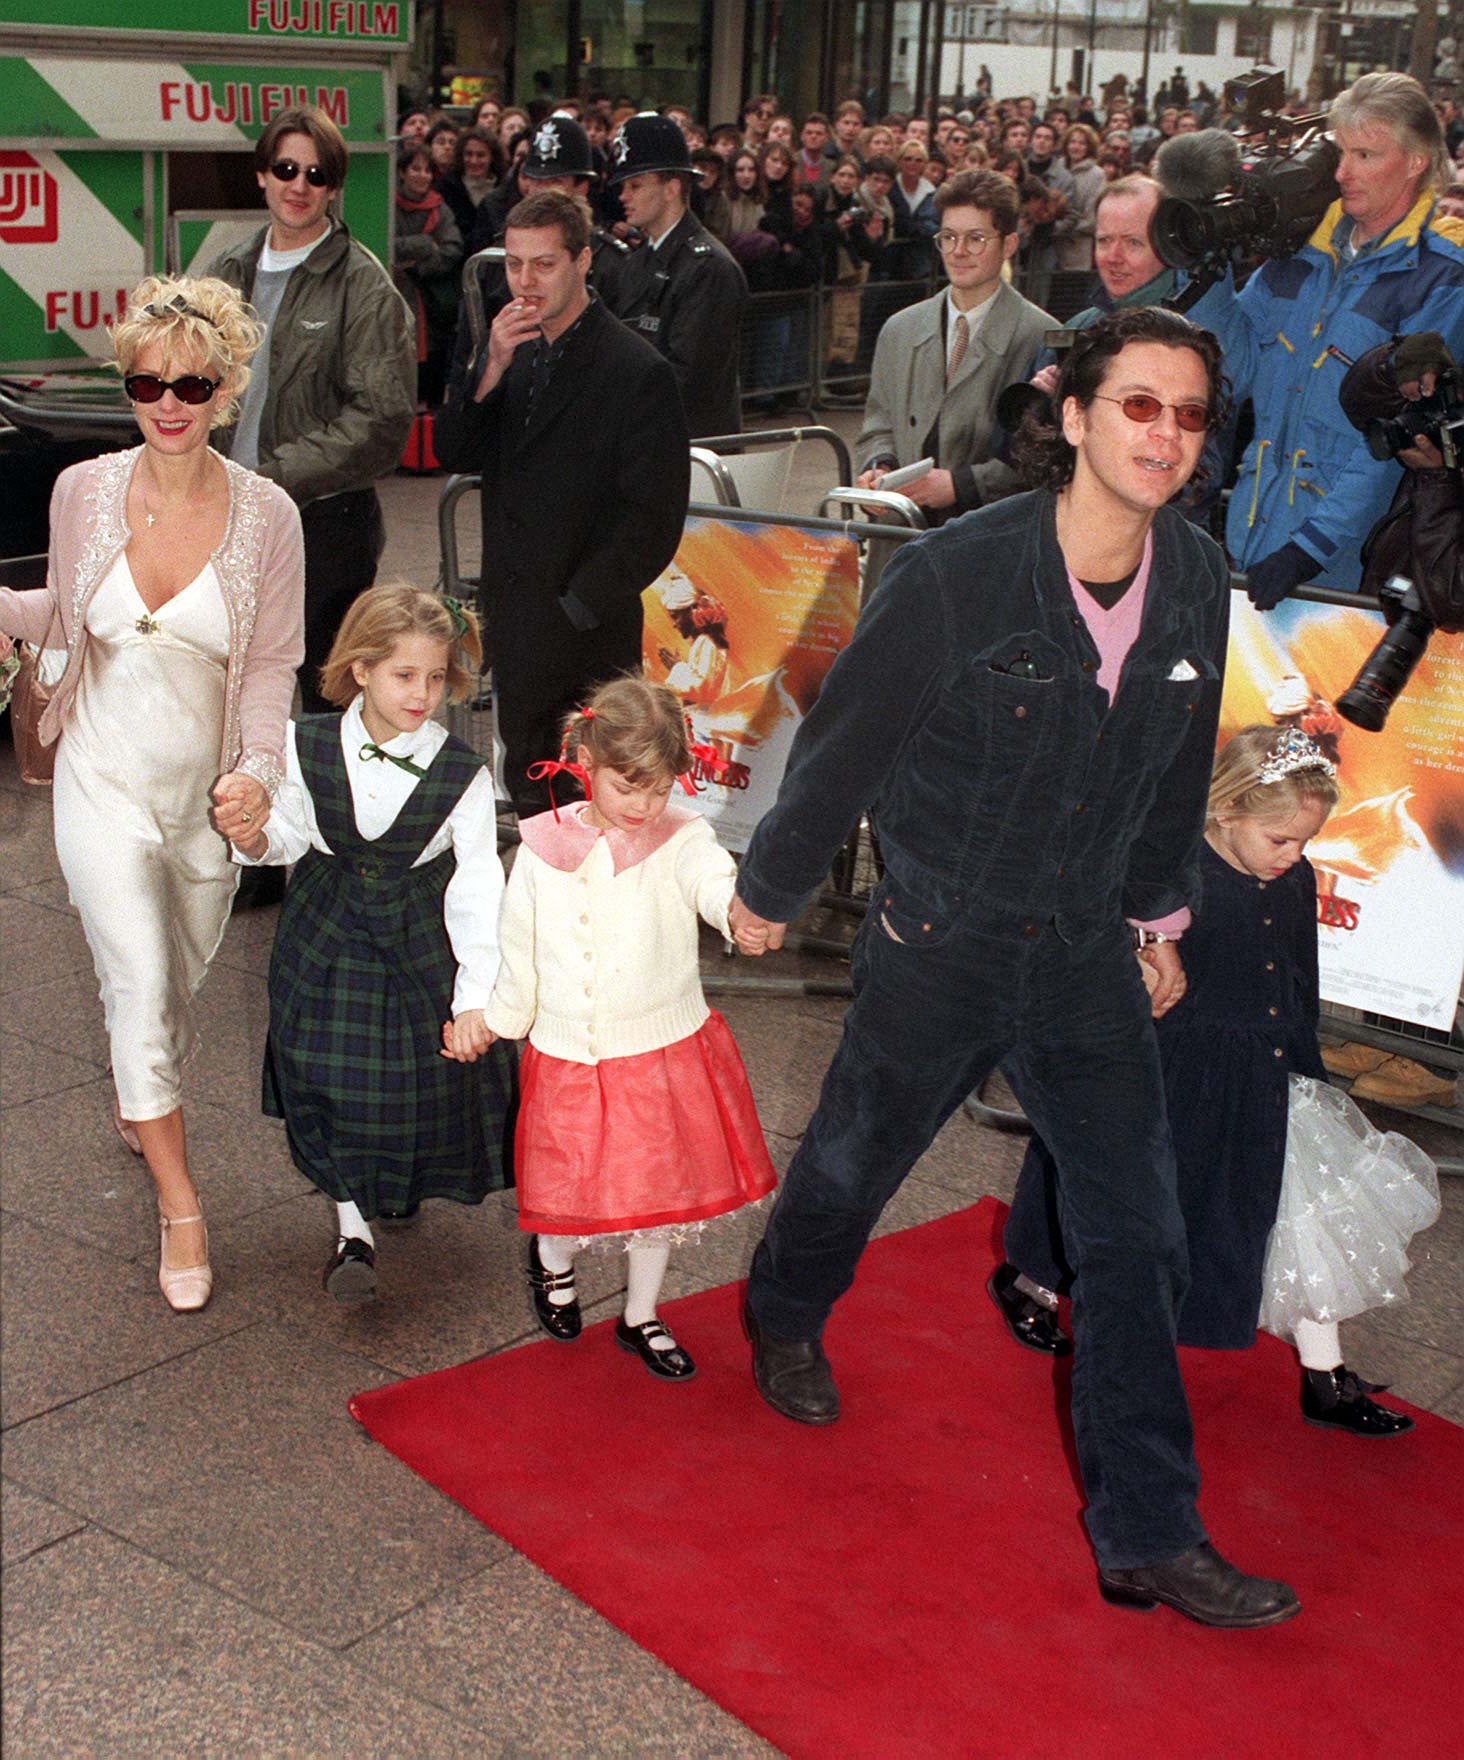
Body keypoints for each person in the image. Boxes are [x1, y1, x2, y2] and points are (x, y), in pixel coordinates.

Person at [731, 307, 1303, 1630]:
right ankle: (784, 1306)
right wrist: (770, 887)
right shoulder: (958, 572)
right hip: (943, 941)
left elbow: (1170, 773)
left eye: (1189, 414)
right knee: (856, 1157)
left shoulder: (1199, 579)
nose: (1166, 434)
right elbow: (848, 747)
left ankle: (1149, 1532)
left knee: (1135, 1241)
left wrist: (1161, 925)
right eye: (1140, 406)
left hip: (1087, 956)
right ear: (1079, 416)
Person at [0, 276, 304, 1311]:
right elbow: (67, 610)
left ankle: (147, 1085)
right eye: (145, 382)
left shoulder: (270, 517)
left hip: (203, 797)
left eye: (190, 384)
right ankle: (181, 1201)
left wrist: (254, 775)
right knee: (133, 972)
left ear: (225, 389)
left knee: (169, 979)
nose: (166, 402)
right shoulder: (84, 489)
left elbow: (269, 669)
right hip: (100, 769)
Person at [999, 726, 1439, 1434]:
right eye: (1281, 840)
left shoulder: (1291, 878)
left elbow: (1298, 975)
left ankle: (1324, 1374)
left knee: (1298, 1211)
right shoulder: (1170, 881)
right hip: (1167, 1074)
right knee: (1114, 1196)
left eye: (1305, 842)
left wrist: (1307, 1068)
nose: (1294, 856)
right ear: (1227, 811)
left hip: (1260, 1073)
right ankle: (1033, 1283)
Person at [449, 678, 777, 1380]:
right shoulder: (541, 849)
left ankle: (642, 1313)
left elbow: (712, 882)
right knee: (568, 1186)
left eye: (658, 790)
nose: (644, 806)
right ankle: (553, 1262)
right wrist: (495, 1021)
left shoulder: (679, 837)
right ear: (585, 763)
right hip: (568, 1053)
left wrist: (738, 915)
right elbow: (520, 950)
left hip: (658, 1049)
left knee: (653, 1195)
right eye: (627, 787)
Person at [225, 583, 516, 1302]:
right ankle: (353, 1231)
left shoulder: (461, 774)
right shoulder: (305, 744)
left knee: (410, 1084)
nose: (422, 694)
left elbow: (479, 887)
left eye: (436, 677)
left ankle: (395, 1183)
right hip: (323, 934)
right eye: (403, 675)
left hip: (416, 943)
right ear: (360, 669)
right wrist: (257, 836)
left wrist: (477, 995)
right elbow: (291, 833)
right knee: (325, 1072)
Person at [435, 189, 689, 816]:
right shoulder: (507, 346)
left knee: (593, 801)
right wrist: (489, 364)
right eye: (514, 264)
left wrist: (576, 604)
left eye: (543, 264)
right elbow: (454, 450)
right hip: (516, 621)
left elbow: (653, 519)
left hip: (587, 633)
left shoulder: (637, 370)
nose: (525, 281)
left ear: (583, 262)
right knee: (531, 797)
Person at [1185, 72, 1464, 605]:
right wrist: (1209, 266)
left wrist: (1310, 547)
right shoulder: (1299, 256)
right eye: (1341, 152)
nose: (1342, 172)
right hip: (1251, 540)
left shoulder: (1442, 280)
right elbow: (1232, 371)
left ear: (1416, 161)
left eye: (1365, 155)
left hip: (1341, 569)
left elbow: (1399, 439)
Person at [209, 105, 414, 721]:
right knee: (229, 696)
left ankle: (328, 819)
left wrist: (272, 477)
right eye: (286, 168)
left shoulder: (363, 284)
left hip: (324, 527)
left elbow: (381, 421)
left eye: (317, 174)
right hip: (225, 520)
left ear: (334, 186)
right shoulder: (229, 272)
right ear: (262, 176)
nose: (300, 185)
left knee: (328, 708)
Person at [856, 169, 1053, 521]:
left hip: (986, 536)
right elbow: (879, 423)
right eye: (948, 237)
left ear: (1009, 244)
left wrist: (962, 484)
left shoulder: (1042, 336)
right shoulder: (899, 330)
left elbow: (1044, 457)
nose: (958, 251)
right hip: (901, 535)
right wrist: (878, 466)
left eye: (976, 238)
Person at [608, 112, 749, 437]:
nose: (623, 196)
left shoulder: (709, 268)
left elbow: (689, 378)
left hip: (689, 448)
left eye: (635, 185)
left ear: (671, 188)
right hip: (644, 439)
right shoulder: (638, 259)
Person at [393, 143, 464, 408]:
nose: (422, 176)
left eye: (427, 170)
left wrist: (416, 266)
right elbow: (389, 246)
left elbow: (452, 249)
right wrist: (424, 243)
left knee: (431, 371)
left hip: (433, 307)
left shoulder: (440, 209)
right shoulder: (389, 205)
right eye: (415, 169)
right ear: (402, 172)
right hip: (398, 298)